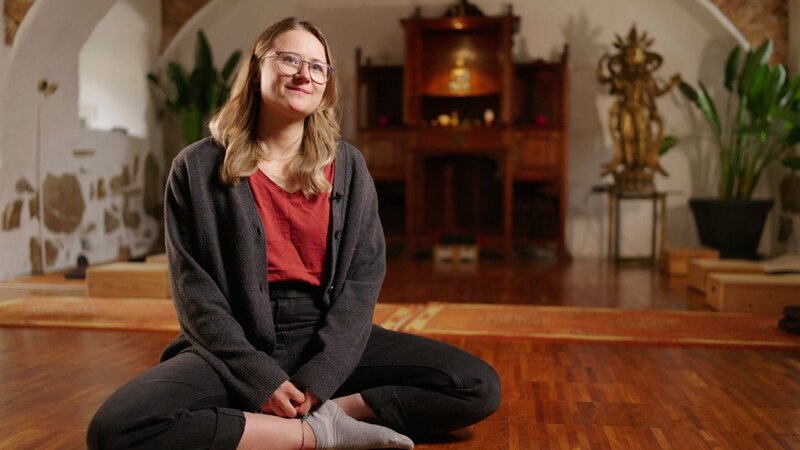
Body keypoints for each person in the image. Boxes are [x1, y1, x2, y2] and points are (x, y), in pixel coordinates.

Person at [87, 17, 500, 450]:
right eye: (289, 60)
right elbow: (195, 294)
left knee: (475, 385)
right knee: (117, 428)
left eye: (318, 66)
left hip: (329, 337)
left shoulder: (350, 166)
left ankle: (336, 416)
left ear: (326, 85)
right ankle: (310, 433)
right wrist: (259, 378)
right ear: (257, 70)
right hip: (236, 343)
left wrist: (322, 377)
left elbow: (362, 280)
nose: (305, 74)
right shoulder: (196, 167)